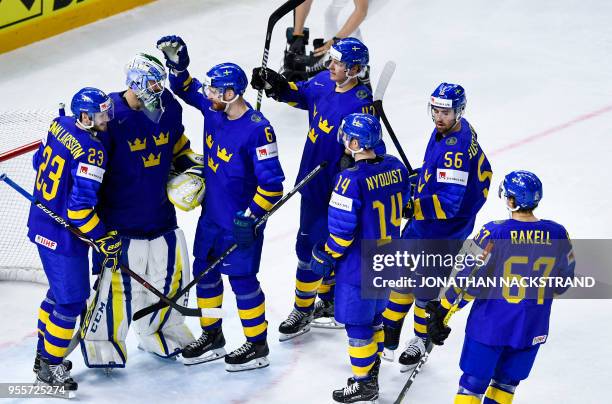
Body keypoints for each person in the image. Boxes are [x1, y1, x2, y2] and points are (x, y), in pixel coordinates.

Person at [157, 35, 285, 371]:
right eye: (211, 91)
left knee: (242, 281)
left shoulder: (259, 130)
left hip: (242, 222)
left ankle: (257, 344)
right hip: (212, 216)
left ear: (232, 94)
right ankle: (212, 335)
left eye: (215, 91)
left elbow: (273, 185)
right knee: (205, 273)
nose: (209, 94)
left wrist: (252, 217)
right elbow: (187, 88)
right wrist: (178, 67)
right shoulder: (215, 111)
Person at [252, 37, 385, 340]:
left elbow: (374, 149)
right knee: (307, 247)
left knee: (327, 248)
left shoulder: (362, 104)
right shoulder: (325, 81)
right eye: (333, 60)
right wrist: (275, 85)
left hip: (339, 191)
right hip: (312, 182)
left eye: (338, 62)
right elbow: (300, 95)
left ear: (353, 70)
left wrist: (351, 165)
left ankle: (308, 307)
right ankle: (317, 302)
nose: (331, 65)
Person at [81, 53, 202, 367]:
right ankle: (102, 341)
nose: (158, 87)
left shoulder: (168, 108)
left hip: (161, 215)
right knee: (116, 288)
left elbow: (178, 146)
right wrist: (88, 218)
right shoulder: (107, 115)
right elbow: (90, 165)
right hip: (120, 223)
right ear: (134, 81)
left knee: (171, 277)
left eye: (159, 81)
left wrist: (196, 170)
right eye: (151, 81)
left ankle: (161, 330)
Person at [425, 170, 575, 403]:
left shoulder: (493, 233)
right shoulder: (558, 233)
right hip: (531, 327)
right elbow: (564, 282)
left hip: (490, 326)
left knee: (472, 385)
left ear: (512, 200)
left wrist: (443, 311)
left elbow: (467, 281)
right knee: (506, 384)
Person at [381, 83, 493, 370]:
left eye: (445, 112)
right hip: (427, 225)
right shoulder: (455, 129)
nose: (439, 117)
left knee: (424, 288)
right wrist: (426, 178)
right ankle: (389, 334)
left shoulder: (453, 152)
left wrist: (412, 207)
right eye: (436, 110)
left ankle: (419, 338)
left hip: (444, 230)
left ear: (459, 111)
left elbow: (448, 205)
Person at [309, 113, 408, 402]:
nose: (342, 141)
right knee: (375, 318)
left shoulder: (348, 180)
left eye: (346, 137)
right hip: (388, 258)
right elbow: (405, 201)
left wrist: (326, 255)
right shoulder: (396, 167)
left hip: (358, 265)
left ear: (354, 142)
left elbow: (341, 233)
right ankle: (372, 369)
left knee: (357, 325)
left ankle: (364, 382)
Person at [27, 87, 118, 393]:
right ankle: (48, 369)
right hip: (63, 235)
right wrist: (102, 238)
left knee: (57, 294)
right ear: (85, 116)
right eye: (101, 114)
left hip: (41, 219)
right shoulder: (92, 152)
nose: (106, 119)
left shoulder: (58, 123)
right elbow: (78, 211)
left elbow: (38, 161)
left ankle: (44, 356)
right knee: (71, 300)